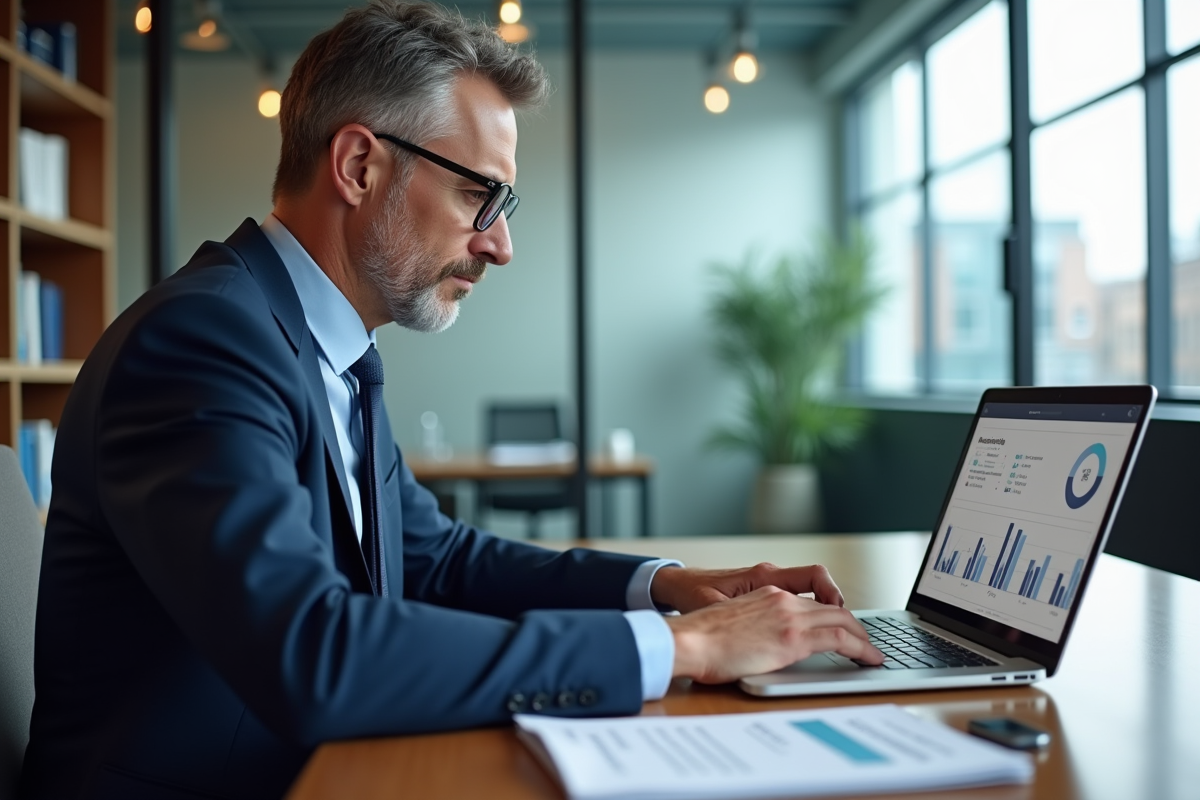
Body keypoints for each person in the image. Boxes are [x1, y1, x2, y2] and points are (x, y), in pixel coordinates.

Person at [18, 3, 882, 798]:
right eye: (481, 195)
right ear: (359, 165)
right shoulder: (203, 344)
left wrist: (671, 589)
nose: (500, 245)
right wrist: (684, 650)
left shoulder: (325, 350)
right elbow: (310, 653)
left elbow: (437, 561)